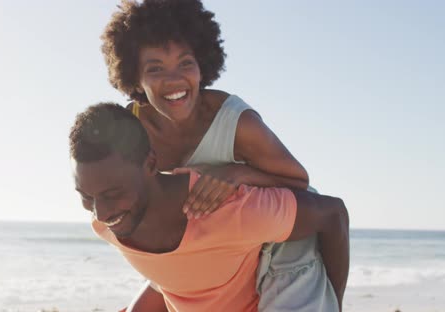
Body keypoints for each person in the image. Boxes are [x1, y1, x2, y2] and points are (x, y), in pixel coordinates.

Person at [100, 1, 348, 311]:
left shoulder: (238, 123)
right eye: (155, 68)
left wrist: (235, 174)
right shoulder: (132, 132)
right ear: (135, 78)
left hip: (282, 242)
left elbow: (299, 183)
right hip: (213, 248)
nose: (174, 79)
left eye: (185, 63)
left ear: (202, 65)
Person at [69, 103, 349, 312]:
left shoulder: (230, 209)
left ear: (151, 165)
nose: (100, 213)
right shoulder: (108, 223)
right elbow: (172, 277)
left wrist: (334, 303)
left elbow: (333, 213)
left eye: (113, 193)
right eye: (86, 196)